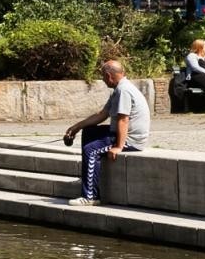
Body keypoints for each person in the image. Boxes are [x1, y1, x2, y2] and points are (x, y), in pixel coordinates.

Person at [62, 59, 151, 206]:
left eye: (103, 77)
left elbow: (123, 120)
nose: (103, 80)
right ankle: (88, 177)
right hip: (120, 133)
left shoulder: (123, 91)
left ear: (109, 76)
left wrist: (119, 146)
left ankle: (90, 197)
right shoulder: (119, 89)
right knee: (89, 131)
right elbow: (102, 114)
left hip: (131, 139)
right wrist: (77, 127)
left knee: (90, 150)